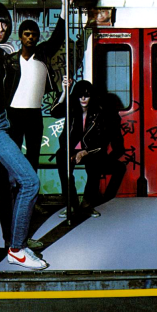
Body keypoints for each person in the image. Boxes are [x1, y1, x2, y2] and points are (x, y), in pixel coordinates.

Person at [0, 2, 48, 270]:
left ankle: (14, 241)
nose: (1, 28)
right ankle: (16, 249)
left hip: (2, 122)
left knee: (15, 181)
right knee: (30, 181)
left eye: (5, 23)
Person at [5, 0, 73, 174]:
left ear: (38, 37)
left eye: (34, 35)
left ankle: (31, 191)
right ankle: (15, 190)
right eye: (27, 34)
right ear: (21, 37)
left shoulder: (43, 53)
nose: (30, 38)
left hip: (34, 114)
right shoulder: (10, 61)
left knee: (33, 156)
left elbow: (58, 36)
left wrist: (64, 7)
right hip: (13, 114)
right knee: (13, 156)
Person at [51, 79, 126, 218]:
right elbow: (54, 112)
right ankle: (71, 204)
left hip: (91, 150)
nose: (83, 99)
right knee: (61, 158)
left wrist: (85, 152)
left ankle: (87, 203)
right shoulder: (71, 109)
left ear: (92, 96)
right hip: (70, 150)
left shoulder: (99, 113)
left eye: (87, 95)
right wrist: (65, 91)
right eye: (80, 95)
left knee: (95, 164)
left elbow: (102, 141)